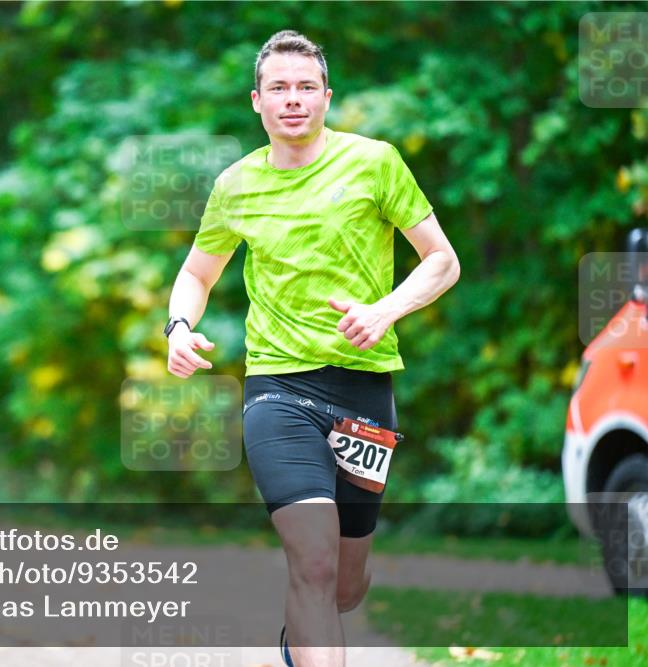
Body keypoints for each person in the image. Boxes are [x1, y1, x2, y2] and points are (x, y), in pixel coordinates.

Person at [163, 31, 460, 667]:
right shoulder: (236, 184)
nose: (292, 99)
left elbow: (442, 260)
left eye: (305, 87)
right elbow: (196, 274)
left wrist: (384, 310)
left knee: (345, 585)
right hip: (278, 388)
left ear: (326, 97)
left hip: (363, 389)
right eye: (279, 88)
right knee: (314, 561)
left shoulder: (375, 163)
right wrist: (178, 328)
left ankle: (299, 642)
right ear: (257, 101)